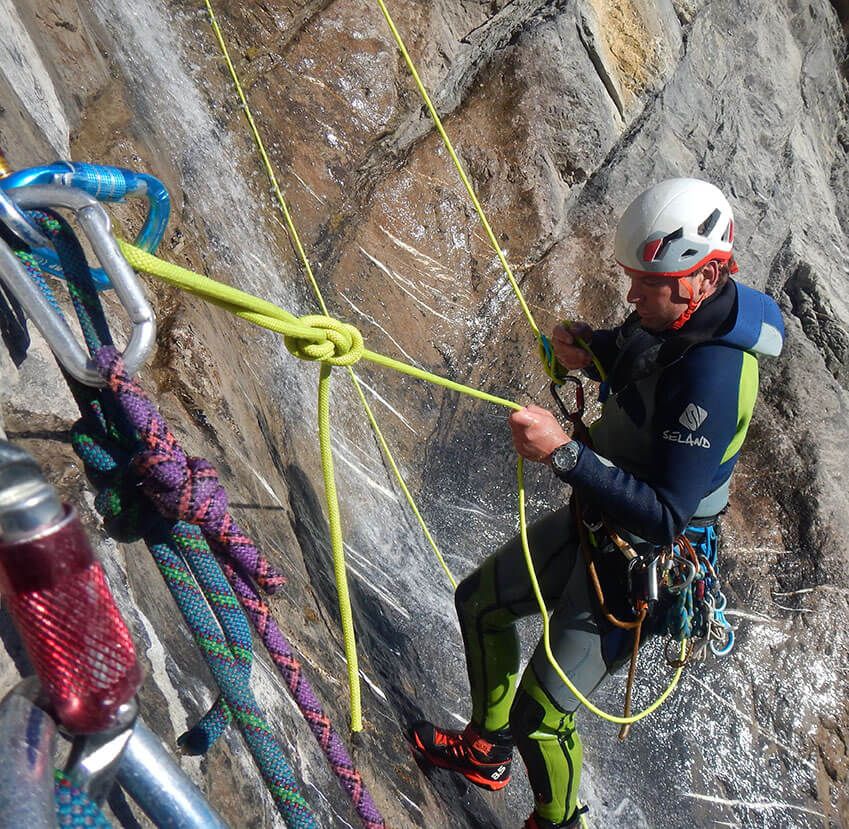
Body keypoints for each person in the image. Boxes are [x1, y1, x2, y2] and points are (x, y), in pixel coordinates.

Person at [408, 178, 784, 828]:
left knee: (541, 715)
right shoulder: (679, 312)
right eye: (632, 278)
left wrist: (563, 454)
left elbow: (665, 513)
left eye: (647, 283)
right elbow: (641, 355)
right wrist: (593, 348)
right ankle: (486, 751)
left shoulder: (715, 377)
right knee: (479, 603)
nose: (632, 295)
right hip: (601, 523)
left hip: (642, 563)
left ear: (704, 276)